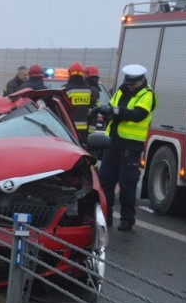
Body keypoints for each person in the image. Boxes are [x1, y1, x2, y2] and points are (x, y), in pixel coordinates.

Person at [95, 64, 157, 231]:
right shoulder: (121, 90)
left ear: (141, 80)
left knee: (127, 184)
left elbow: (138, 115)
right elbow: (113, 107)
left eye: (132, 83)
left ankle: (127, 219)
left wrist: (116, 112)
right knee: (105, 182)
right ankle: (105, 219)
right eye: (128, 83)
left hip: (130, 146)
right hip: (112, 143)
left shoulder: (147, 94)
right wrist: (107, 111)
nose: (129, 86)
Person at [63, 61, 97, 146]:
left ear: (70, 73)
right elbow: (92, 111)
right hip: (84, 132)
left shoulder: (65, 89)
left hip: (68, 130)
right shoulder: (89, 90)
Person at [84, 65, 102, 134]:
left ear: (87, 74)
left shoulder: (89, 89)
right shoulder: (96, 90)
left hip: (87, 122)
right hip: (93, 123)